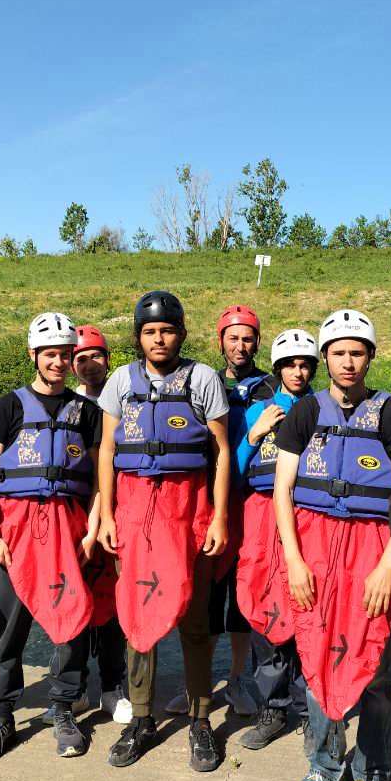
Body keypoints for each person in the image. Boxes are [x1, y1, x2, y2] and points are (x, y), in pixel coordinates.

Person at [273, 309, 391, 781]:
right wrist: (293, 561)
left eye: (357, 352)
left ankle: (372, 771)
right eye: (338, 352)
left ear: (371, 357)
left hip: (371, 548)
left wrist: (387, 565)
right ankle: (323, 766)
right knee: (316, 657)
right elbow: (284, 490)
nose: (348, 361)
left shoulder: (390, 413)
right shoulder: (306, 412)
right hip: (314, 546)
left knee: (376, 665)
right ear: (325, 358)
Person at [98, 290, 230, 771]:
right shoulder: (119, 382)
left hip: (187, 510)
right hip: (134, 512)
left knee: (196, 625)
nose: (159, 339)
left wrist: (218, 516)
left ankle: (199, 720)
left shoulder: (202, 380)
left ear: (181, 334)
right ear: (139, 337)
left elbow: (218, 452)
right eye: (150, 331)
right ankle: (142, 719)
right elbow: (108, 453)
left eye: (168, 330)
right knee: (137, 620)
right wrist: (108, 514)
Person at [0, 312, 101, 764]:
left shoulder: (88, 413)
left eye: (66, 354)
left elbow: (102, 480)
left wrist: (94, 529)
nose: (59, 362)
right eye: (51, 354)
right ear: (34, 355)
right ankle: (2, 714)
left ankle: (63, 707)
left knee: (73, 617)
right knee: (12, 624)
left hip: (70, 527)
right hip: (17, 528)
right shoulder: (7, 408)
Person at [166, 305, 263, 717]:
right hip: (208, 502)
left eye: (247, 338)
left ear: (257, 341)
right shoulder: (202, 382)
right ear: (219, 340)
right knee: (202, 599)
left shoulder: (271, 387)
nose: (240, 346)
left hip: (253, 507)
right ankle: (198, 684)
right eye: (233, 338)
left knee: (242, 598)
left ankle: (239, 678)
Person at [41, 325, 132, 725]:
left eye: (96, 355)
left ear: (108, 359)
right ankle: (74, 692)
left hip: (118, 515)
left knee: (111, 607)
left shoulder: (127, 399)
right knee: (72, 605)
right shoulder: (66, 406)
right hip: (74, 520)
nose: (88, 364)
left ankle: (113, 689)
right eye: (80, 358)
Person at [235, 329, 318, 753]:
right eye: (290, 364)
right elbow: (233, 468)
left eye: (305, 364)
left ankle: (307, 710)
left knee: (305, 606)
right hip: (260, 515)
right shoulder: (258, 410)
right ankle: (272, 707)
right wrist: (255, 433)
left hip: (305, 518)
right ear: (279, 369)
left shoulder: (324, 410)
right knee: (263, 605)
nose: (298, 372)